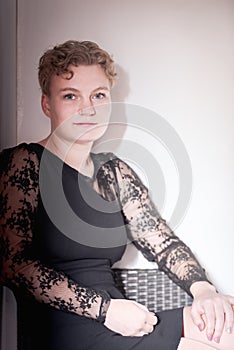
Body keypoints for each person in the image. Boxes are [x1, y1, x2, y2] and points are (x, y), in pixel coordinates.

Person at [0, 40, 233, 350]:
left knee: (226, 321)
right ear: (47, 104)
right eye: (71, 96)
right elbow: (12, 263)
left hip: (126, 321)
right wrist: (105, 310)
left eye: (99, 95)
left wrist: (203, 289)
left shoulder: (114, 172)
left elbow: (162, 244)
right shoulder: (23, 162)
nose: (88, 108)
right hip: (64, 332)